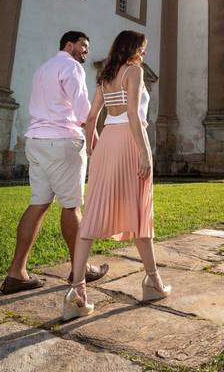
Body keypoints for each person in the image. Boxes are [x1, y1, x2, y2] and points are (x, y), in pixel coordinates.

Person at [63, 30, 171, 319]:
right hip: (128, 142)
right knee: (139, 215)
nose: (144, 53)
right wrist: (146, 151)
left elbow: (91, 118)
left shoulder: (105, 76)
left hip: (107, 141)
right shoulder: (133, 71)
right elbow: (135, 115)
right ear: (132, 47)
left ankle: (76, 292)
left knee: (91, 216)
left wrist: (93, 145)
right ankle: (153, 282)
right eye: (142, 47)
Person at [0, 31, 109, 294]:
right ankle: (79, 270)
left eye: (88, 47)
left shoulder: (43, 69)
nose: (86, 51)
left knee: (38, 203)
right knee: (71, 207)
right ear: (68, 45)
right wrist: (97, 141)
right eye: (83, 45)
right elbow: (84, 114)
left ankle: (17, 272)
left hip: (36, 141)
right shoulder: (71, 68)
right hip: (62, 142)